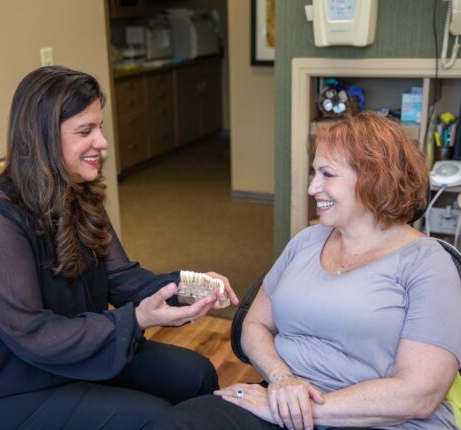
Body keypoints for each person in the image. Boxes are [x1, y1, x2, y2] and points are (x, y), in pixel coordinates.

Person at [0, 65, 238, 429]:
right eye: (85, 131)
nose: (103, 142)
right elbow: (33, 335)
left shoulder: (78, 194)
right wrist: (137, 319)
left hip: (65, 357)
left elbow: (123, 279)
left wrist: (191, 287)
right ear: (42, 139)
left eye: (100, 127)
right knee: (149, 418)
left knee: (197, 374)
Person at [153, 111, 461, 429]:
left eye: (327, 174)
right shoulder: (307, 241)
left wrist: (300, 411)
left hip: (380, 419)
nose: (312, 188)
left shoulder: (428, 263)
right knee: (179, 423)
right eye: (314, 173)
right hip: (282, 398)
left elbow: (420, 394)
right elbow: (255, 324)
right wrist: (282, 378)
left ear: (373, 178)